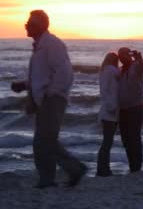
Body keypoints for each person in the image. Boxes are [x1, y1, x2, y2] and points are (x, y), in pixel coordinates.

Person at [10, 10, 87, 188]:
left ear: (42, 26)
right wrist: (25, 85)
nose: (26, 25)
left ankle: (71, 170)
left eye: (31, 22)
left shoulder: (52, 44)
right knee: (44, 141)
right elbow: (42, 76)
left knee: (45, 141)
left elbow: (65, 74)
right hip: (44, 99)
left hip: (52, 100)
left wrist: (49, 94)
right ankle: (51, 178)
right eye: (27, 22)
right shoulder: (40, 46)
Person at [117, 47, 143, 173]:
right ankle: (132, 164)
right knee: (125, 138)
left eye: (124, 54)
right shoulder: (120, 71)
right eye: (120, 55)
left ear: (129, 56)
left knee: (134, 137)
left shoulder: (135, 67)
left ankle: (136, 167)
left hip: (135, 107)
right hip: (122, 109)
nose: (122, 57)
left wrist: (139, 58)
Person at [96, 52, 120, 177]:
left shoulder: (104, 71)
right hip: (110, 112)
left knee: (106, 142)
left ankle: (103, 168)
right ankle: (103, 169)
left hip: (106, 111)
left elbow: (104, 91)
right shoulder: (112, 70)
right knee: (107, 142)